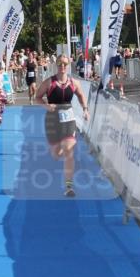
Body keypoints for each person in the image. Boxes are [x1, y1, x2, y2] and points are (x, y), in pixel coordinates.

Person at [36, 55, 89, 197]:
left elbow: (81, 95)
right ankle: (57, 150)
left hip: (68, 119)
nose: (62, 66)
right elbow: (37, 97)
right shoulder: (49, 82)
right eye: (60, 63)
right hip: (52, 119)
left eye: (65, 63)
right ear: (56, 64)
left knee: (69, 151)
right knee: (56, 154)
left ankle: (69, 187)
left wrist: (85, 109)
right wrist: (46, 105)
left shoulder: (74, 82)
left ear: (68, 65)